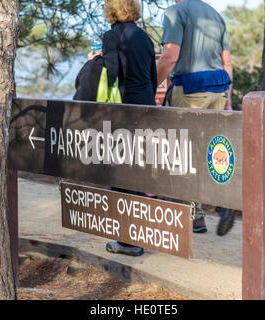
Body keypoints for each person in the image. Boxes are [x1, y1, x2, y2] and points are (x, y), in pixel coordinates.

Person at [156, 0, 235, 236]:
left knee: (182, 153)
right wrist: (228, 98)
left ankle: (192, 215)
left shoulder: (175, 12)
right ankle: (216, 204)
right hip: (218, 90)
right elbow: (227, 62)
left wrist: (150, 85)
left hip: (191, 89)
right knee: (209, 151)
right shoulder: (215, 15)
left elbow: (170, 56)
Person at [88, 0, 158, 256]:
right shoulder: (145, 38)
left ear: (112, 10)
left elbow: (113, 75)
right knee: (137, 171)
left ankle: (128, 241)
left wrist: (96, 61)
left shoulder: (110, 37)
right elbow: (153, 78)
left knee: (120, 174)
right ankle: (139, 234)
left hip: (122, 111)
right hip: (147, 109)